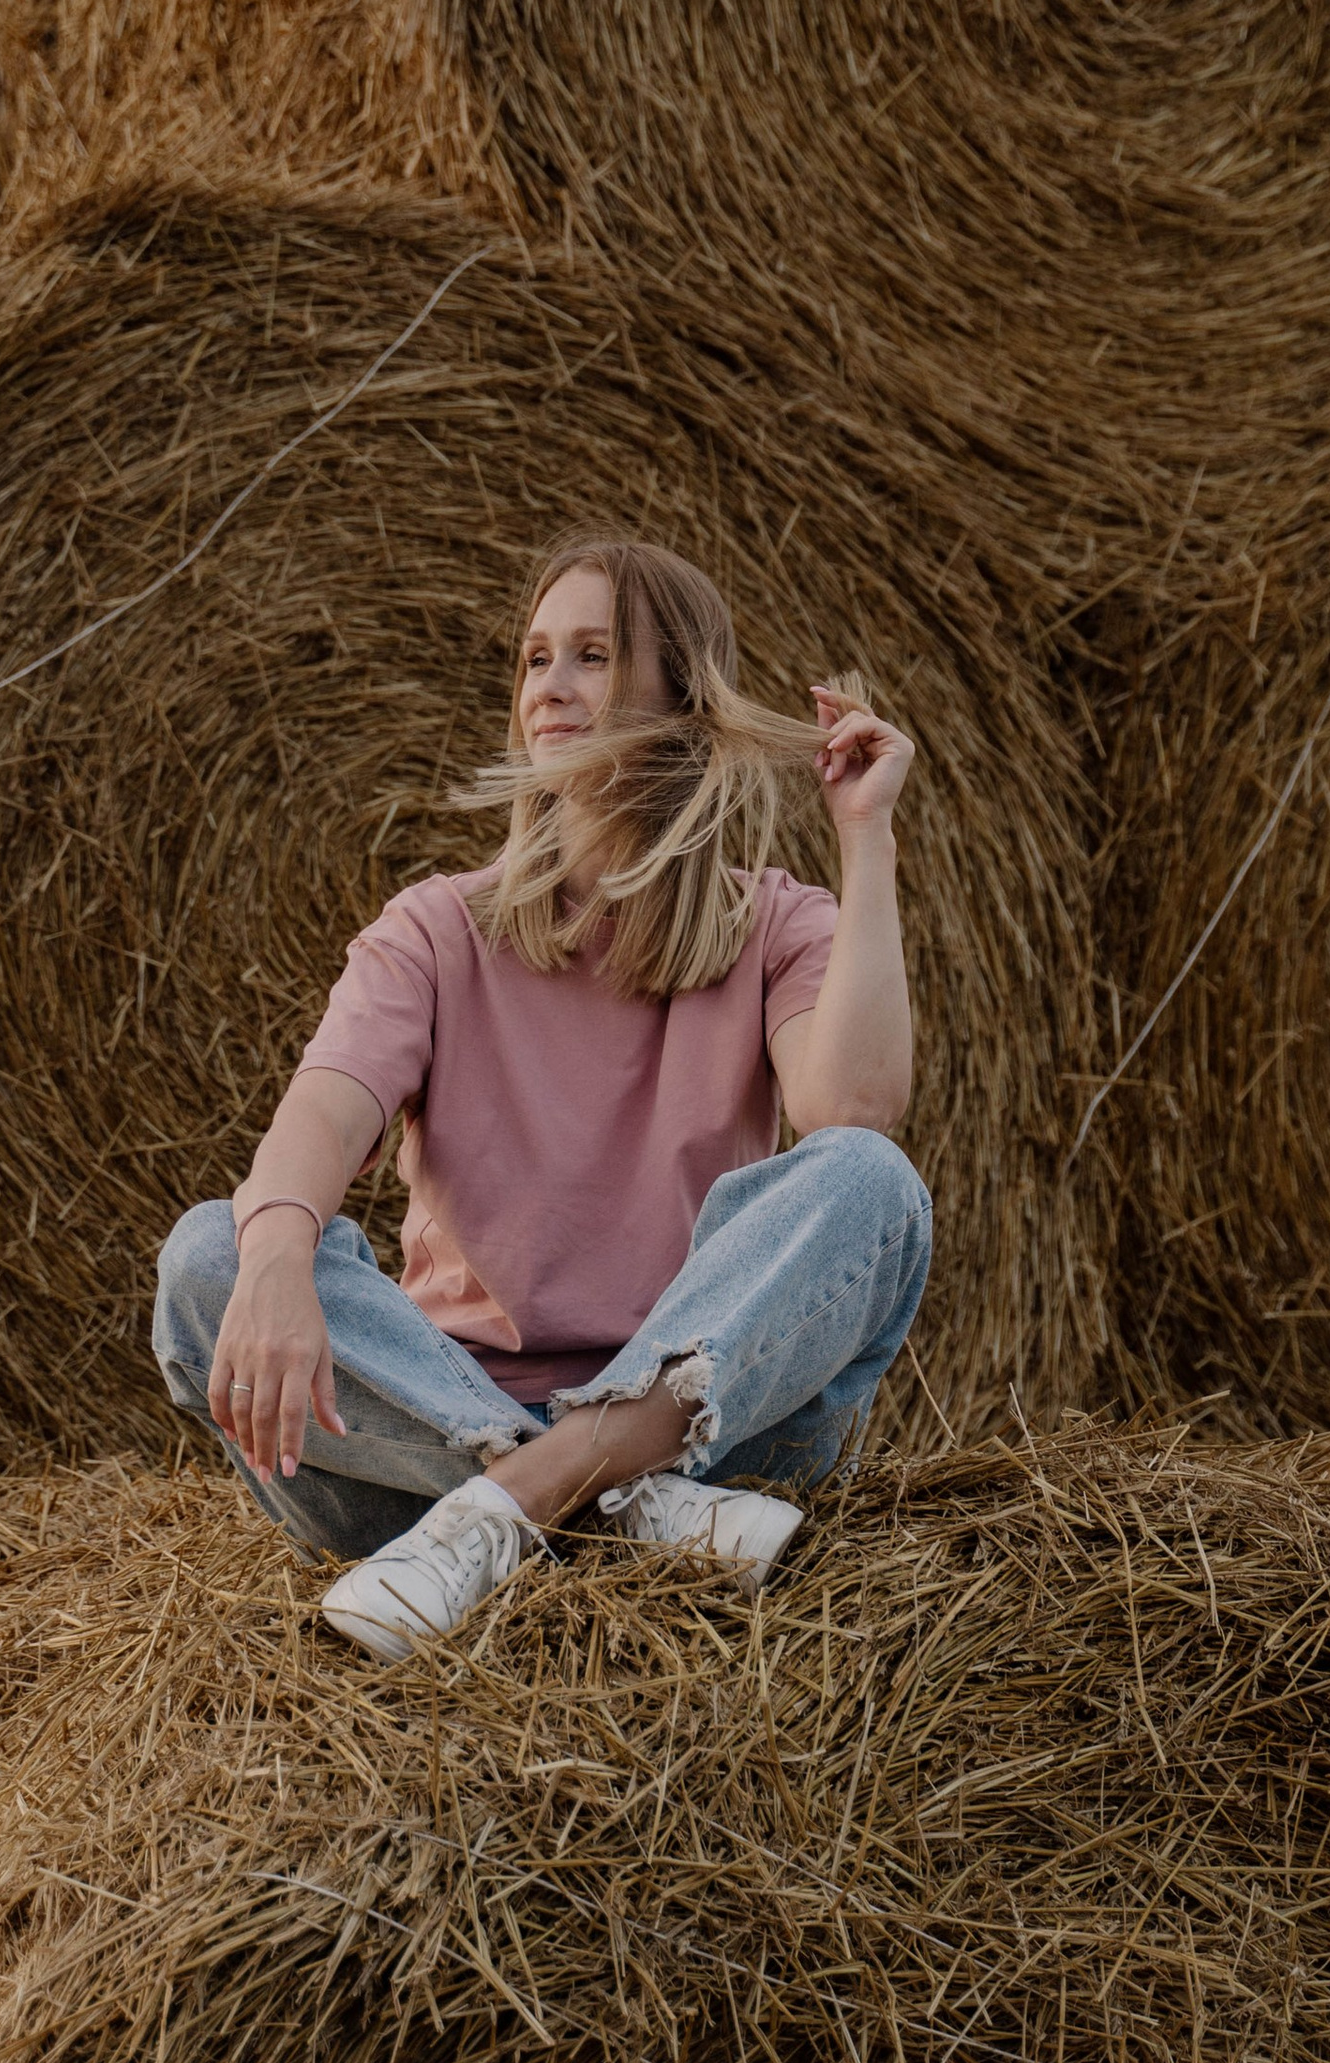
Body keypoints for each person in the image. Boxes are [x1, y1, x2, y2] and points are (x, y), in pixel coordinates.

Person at [152, 537, 931, 1665]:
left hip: (713, 1438)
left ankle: (524, 1500)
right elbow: (323, 1111)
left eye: (592, 656)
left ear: (682, 695)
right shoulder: (438, 931)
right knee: (209, 1257)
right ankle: (601, 1502)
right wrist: (274, 1260)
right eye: (534, 659)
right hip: (434, 1440)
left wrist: (866, 838)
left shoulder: (771, 926)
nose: (548, 690)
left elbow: (852, 1104)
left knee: (870, 1181)